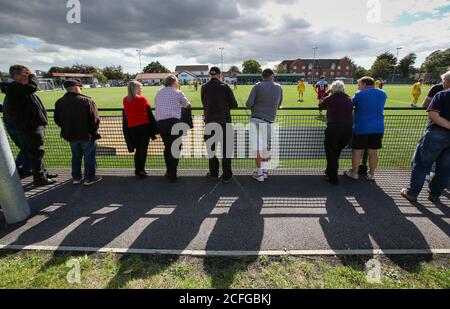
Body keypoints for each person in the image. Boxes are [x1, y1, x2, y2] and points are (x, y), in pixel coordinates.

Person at [0, 65, 57, 186]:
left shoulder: (15, 88)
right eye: (26, 74)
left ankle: (42, 173)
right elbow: (32, 87)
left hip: (27, 125)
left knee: (35, 152)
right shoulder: (14, 87)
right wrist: (33, 76)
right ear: (16, 76)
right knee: (36, 152)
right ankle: (39, 178)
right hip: (29, 126)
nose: (29, 76)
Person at [401, 71, 450, 203]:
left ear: (446, 81)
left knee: (422, 164)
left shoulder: (442, 94)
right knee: (445, 168)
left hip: (437, 134)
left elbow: (433, 115)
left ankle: (412, 192)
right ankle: (434, 194)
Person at [54, 79, 102, 186]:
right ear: (76, 88)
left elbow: (57, 120)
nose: (81, 89)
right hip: (86, 135)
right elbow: (95, 120)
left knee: (76, 156)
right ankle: (89, 178)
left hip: (70, 135)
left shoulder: (60, 101)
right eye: (80, 87)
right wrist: (93, 131)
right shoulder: (86, 101)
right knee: (89, 157)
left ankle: (76, 178)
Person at [345, 76, 387, 182]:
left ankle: (354, 173)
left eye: (359, 84)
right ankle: (371, 174)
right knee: (373, 152)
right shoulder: (383, 93)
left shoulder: (360, 94)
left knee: (357, 151)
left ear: (364, 84)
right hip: (378, 127)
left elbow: (350, 103)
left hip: (362, 126)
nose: (358, 87)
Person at [201, 67, 238, 183]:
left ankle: (213, 173)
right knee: (226, 150)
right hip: (224, 121)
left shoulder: (204, 87)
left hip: (210, 121)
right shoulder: (225, 87)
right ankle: (227, 175)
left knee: (211, 150)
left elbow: (204, 103)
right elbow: (234, 105)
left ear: (209, 74)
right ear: (219, 74)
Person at [246, 69, 283, 182]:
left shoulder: (257, 86)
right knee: (264, 148)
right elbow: (279, 104)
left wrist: (254, 107)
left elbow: (249, 103)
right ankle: (264, 171)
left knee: (258, 149)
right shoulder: (279, 87)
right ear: (272, 76)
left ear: (263, 76)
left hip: (256, 120)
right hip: (269, 121)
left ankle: (260, 173)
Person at [154, 75, 191, 183]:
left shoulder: (158, 93)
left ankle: (169, 170)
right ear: (174, 82)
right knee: (174, 148)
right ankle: (172, 174)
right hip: (174, 123)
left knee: (167, 147)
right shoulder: (177, 92)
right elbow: (187, 105)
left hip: (161, 123)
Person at [319, 81, 353, 184]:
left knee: (331, 153)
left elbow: (320, 106)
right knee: (336, 152)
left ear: (332, 89)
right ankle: (329, 172)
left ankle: (333, 178)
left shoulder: (330, 98)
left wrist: (326, 93)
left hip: (333, 129)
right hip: (348, 130)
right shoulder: (349, 99)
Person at [123, 80, 158, 179]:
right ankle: (141, 170)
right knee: (143, 150)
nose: (141, 90)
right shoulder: (142, 99)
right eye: (140, 88)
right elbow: (149, 114)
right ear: (137, 89)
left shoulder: (125, 100)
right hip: (143, 128)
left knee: (138, 150)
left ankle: (137, 170)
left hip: (132, 129)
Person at [0, 90, 32, 178]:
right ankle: (23, 170)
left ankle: (17, 169)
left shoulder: (9, 98)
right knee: (26, 149)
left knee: (24, 149)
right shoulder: (14, 98)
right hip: (17, 128)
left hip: (12, 127)